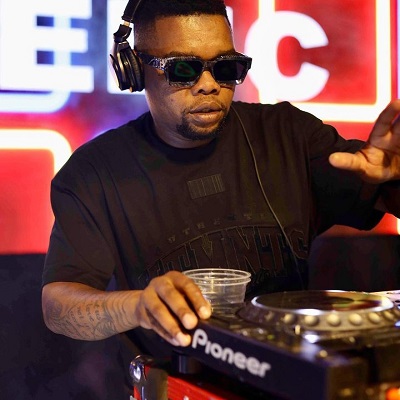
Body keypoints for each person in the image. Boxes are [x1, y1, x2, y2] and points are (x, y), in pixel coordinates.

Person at [42, 0, 400, 365]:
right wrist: (136, 306)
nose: (209, 85)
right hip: (176, 383)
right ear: (134, 70)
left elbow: (387, 200)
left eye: (225, 67)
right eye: (184, 69)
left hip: (289, 377)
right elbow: (58, 307)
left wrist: (396, 177)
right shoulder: (94, 172)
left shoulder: (289, 134)